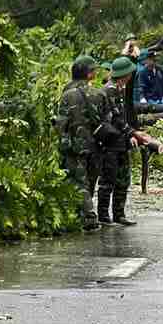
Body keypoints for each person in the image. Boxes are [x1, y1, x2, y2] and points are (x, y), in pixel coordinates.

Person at [98, 57, 162, 226]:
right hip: (110, 142)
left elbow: (124, 117)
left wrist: (130, 135)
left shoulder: (120, 89)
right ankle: (104, 216)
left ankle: (119, 214)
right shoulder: (109, 90)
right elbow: (117, 119)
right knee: (107, 180)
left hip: (121, 141)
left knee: (123, 179)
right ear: (124, 74)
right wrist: (134, 133)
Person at [57, 55, 112, 232]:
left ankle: (88, 217)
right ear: (89, 74)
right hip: (97, 145)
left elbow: (61, 124)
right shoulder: (100, 94)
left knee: (80, 184)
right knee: (89, 182)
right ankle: (85, 215)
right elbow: (107, 120)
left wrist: (64, 145)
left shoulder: (67, 95)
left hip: (75, 147)